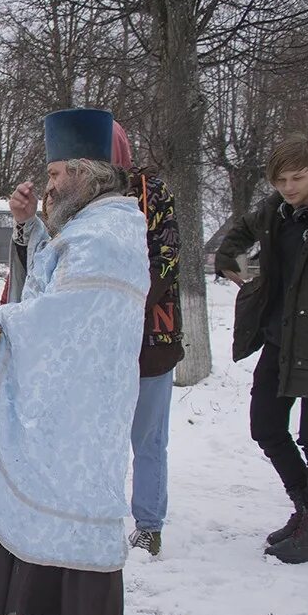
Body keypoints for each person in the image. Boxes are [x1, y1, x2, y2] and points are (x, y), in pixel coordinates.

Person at [0, 108, 148, 615]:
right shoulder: (93, 223)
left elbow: (62, 316)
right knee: (52, 478)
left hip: (82, 400)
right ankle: (37, 598)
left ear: (84, 174)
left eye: (53, 175)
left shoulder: (108, 233)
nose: (47, 186)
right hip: (71, 393)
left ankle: (64, 605)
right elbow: (51, 275)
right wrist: (27, 228)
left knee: (67, 483)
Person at [216, 134, 308, 564]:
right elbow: (236, 240)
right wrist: (241, 267)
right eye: (280, 179)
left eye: (297, 178)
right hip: (279, 339)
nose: (288, 187)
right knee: (265, 426)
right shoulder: (274, 211)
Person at [112, 123, 183, 557]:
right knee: (99, 433)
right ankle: (97, 513)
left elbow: (168, 256)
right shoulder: (77, 197)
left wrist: (127, 304)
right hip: (101, 339)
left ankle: (149, 525)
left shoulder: (150, 191)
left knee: (149, 437)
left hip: (152, 335)